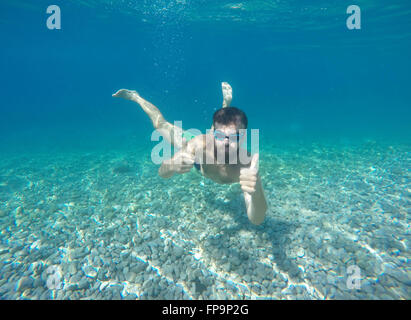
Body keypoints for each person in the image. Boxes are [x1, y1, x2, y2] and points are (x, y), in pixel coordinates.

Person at [112, 82, 267, 225]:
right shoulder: (197, 144)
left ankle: (225, 107)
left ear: (244, 136)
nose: (227, 142)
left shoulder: (246, 165)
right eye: (220, 135)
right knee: (161, 124)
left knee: (219, 132)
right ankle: (136, 96)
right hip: (199, 150)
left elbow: (256, 219)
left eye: (235, 137)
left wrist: (257, 189)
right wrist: (172, 165)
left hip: (210, 143)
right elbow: (162, 173)